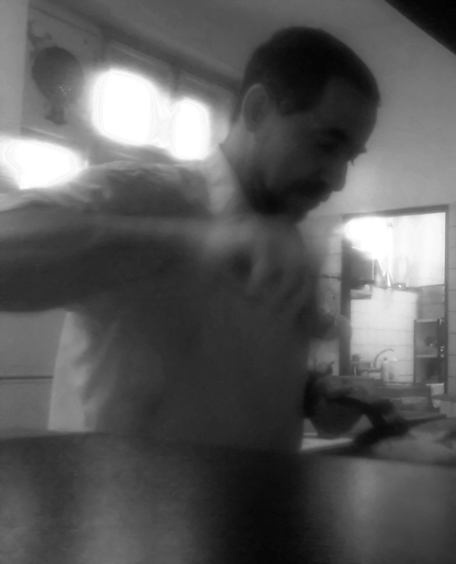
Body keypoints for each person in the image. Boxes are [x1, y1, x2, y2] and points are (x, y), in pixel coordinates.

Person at [0, 27, 380, 451]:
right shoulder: (144, 195)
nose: (338, 179)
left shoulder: (294, 241)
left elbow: (229, 373)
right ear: (257, 110)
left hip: (264, 495)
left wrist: (311, 397)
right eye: (326, 144)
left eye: (350, 157)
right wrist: (195, 243)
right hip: (118, 495)